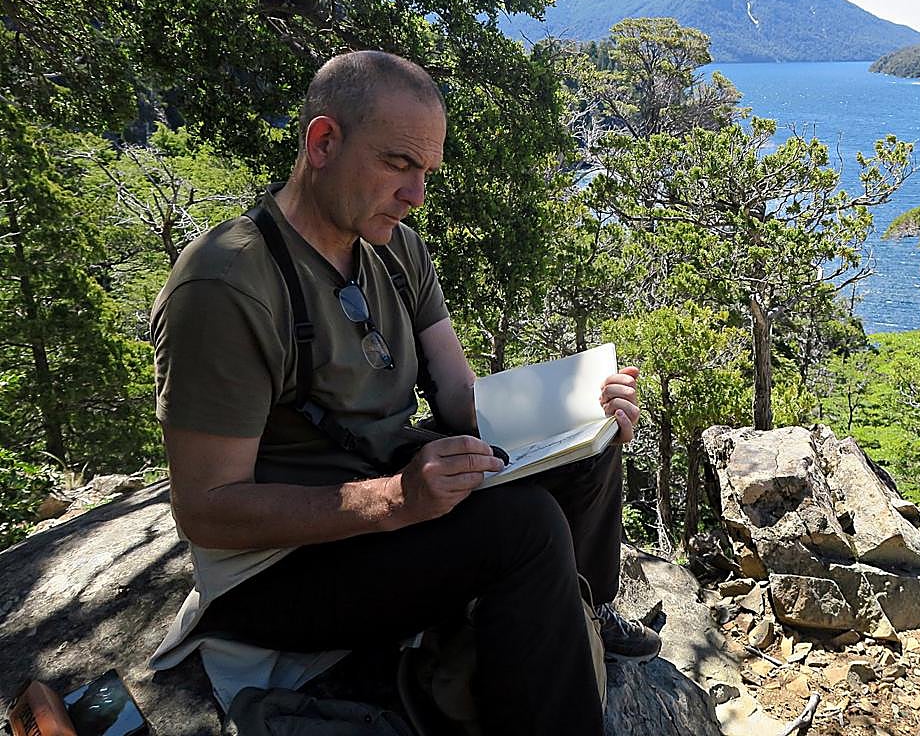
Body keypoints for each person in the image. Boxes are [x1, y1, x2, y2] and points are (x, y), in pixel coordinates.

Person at [148, 51, 660, 735]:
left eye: (427, 172)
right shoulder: (228, 284)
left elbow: (457, 398)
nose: (417, 193)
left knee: (588, 451)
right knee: (524, 529)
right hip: (276, 573)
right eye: (398, 165)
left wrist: (577, 412)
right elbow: (207, 512)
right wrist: (393, 501)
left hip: (386, 505)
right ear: (323, 143)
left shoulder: (395, 248)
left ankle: (584, 612)